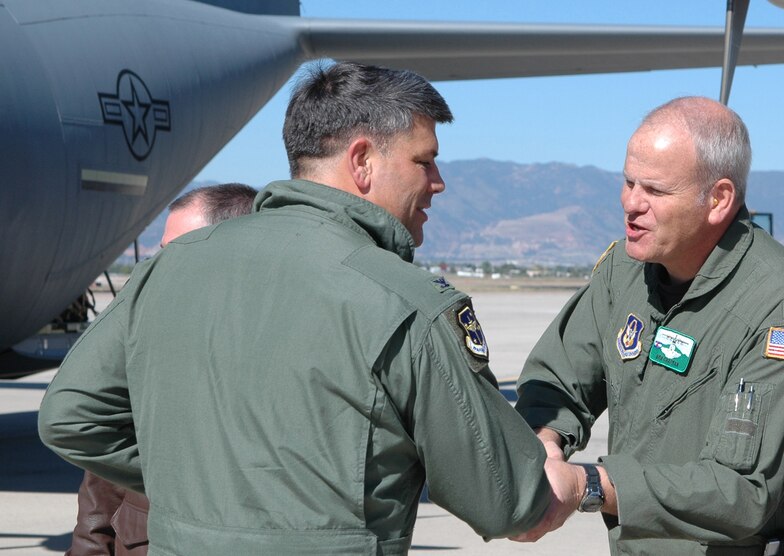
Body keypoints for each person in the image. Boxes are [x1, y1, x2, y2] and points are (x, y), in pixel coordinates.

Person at [39, 62, 580, 555]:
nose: (437, 183)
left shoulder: (171, 265)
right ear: (363, 160)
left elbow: (71, 418)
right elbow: (513, 503)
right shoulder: (406, 302)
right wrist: (577, 480)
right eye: (425, 161)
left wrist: (189, 487)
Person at [514, 97, 784, 554]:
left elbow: (740, 492)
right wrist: (546, 443)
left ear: (718, 200)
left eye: (654, 190)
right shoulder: (626, 270)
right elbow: (560, 379)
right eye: (628, 182)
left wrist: (587, 484)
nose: (631, 204)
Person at [66, 182, 258, 556]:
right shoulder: (149, 340)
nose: (157, 269)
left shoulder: (288, 345)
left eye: (176, 252)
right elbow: (99, 496)